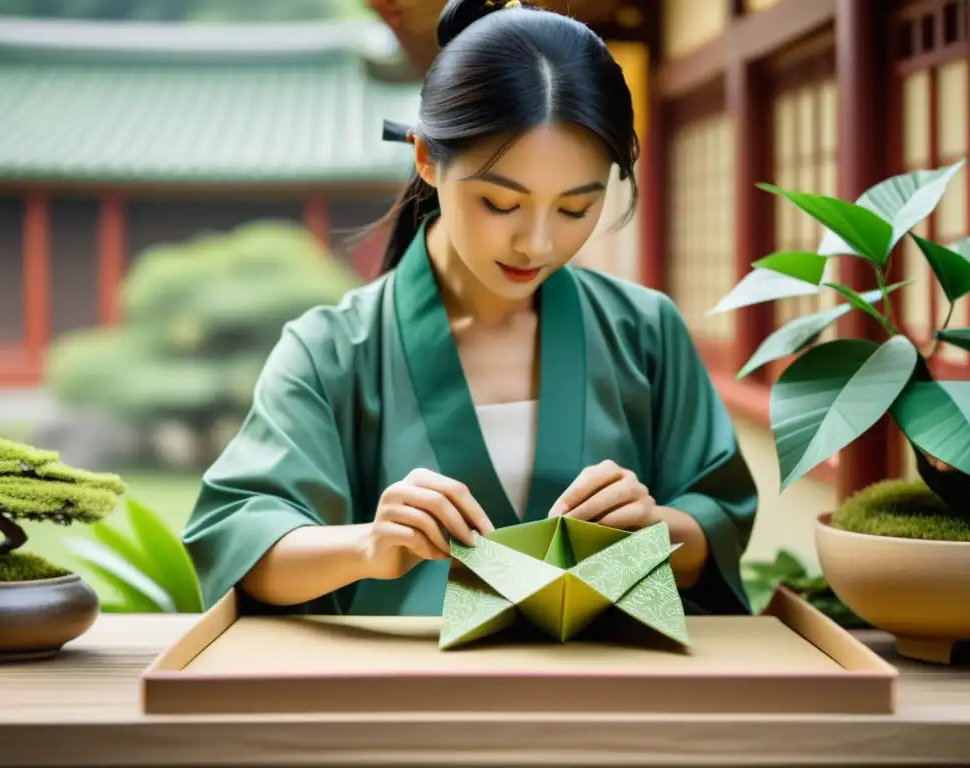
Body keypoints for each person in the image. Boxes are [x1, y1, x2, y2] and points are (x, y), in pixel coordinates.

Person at [181, 0, 758, 619]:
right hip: (411, 696)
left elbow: (716, 522)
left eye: (574, 209)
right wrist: (369, 546)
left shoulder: (646, 331)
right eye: (500, 203)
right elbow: (241, 541)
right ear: (427, 158)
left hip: (609, 694)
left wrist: (657, 532)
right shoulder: (332, 349)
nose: (537, 244)